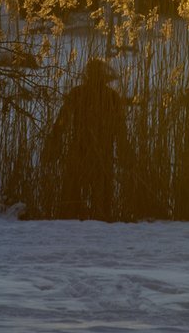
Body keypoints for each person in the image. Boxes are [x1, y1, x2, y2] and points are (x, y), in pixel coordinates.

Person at [42, 58, 129, 219]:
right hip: (104, 152)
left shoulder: (77, 93)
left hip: (78, 149)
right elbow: (120, 129)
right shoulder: (112, 96)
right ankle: (102, 222)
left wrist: (54, 143)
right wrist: (124, 153)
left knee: (72, 193)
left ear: (87, 75)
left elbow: (61, 122)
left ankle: (70, 220)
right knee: (102, 197)